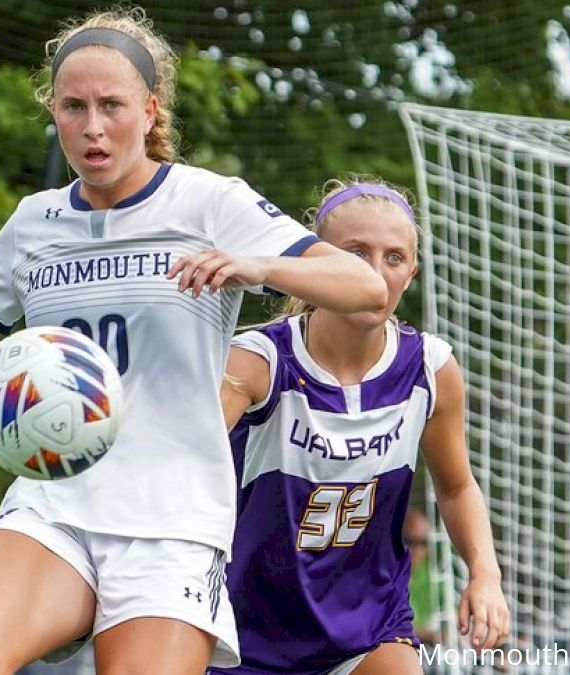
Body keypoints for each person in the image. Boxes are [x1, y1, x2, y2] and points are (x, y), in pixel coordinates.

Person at [0, 7, 386, 674]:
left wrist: (258, 265)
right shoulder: (37, 221)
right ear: (53, 112)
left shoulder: (208, 203)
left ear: (149, 111)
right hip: (55, 498)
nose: (92, 126)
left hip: (171, 518)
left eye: (111, 105)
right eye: (73, 106)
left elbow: (365, 290)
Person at [212, 177, 510, 675]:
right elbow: (176, 461)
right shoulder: (258, 363)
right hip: (245, 634)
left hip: (369, 631)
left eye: (394, 258)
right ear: (319, 263)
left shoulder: (430, 371)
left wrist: (485, 575)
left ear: (412, 272)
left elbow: (457, 488)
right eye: (355, 255)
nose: (375, 274)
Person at [404, 508, 445, 646]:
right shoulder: (382, 577)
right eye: (410, 541)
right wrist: (430, 635)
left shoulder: (435, 577)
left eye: (423, 543)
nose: (416, 550)